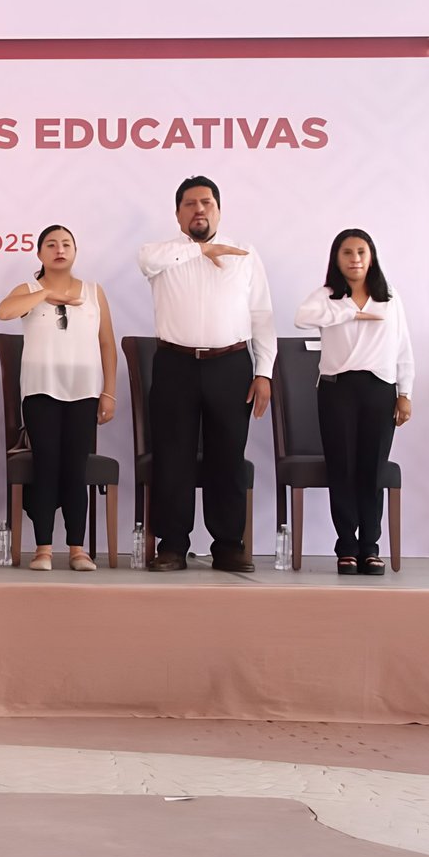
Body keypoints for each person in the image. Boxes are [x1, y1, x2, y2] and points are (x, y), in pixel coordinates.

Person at [137, 175, 275, 573]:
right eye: (190, 204)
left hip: (231, 365)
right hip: (174, 364)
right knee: (173, 457)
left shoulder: (245, 253)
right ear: (178, 214)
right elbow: (147, 261)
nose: (199, 209)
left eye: (207, 202)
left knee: (227, 457)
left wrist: (263, 371)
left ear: (218, 208)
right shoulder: (160, 253)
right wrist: (202, 251)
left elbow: (262, 315)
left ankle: (229, 545)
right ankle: (173, 545)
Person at [293, 229, 414, 576]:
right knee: (342, 466)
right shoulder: (328, 296)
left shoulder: (389, 298)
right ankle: (346, 545)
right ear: (337, 258)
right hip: (336, 390)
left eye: (362, 251)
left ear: (371, 256)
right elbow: (301, 318)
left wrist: (405, 393)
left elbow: (403, 348)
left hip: (379, 389)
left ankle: (370, 547)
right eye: (347, 252)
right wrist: (349, 315)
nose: (355, 258)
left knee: (372, 468)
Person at [0, 224, 117, 571]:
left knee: (75, 468)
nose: (59, 249)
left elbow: (107, 343)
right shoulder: (29, 289)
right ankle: (44, 548)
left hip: (84, 392)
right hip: (41, 390)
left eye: (66, 244)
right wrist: (46, 295)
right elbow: (3, 312)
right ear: (40, 254)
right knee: (46, 466)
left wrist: (108, 391)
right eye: (51, 244)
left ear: (75, 252)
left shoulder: (94, 292)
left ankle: (78, 549)